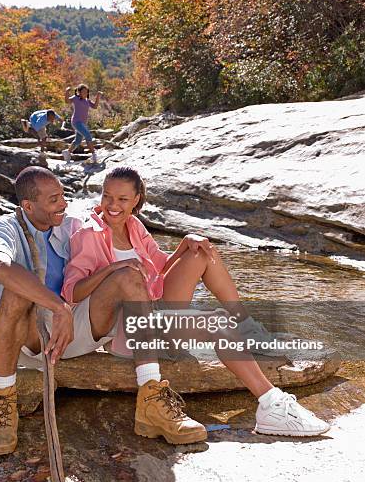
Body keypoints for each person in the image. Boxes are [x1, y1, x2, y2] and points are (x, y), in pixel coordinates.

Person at [61, 166, 330, 445]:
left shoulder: (134, 226)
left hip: (156, 312)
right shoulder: (88, 234)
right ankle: (271, 405)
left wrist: (185, 242)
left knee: (201, 252)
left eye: (122, 199)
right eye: (107, 196)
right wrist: (114, 270)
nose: (112, 206)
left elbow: (160, 267)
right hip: (130, 332)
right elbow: (72, 292)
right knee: (216, 321)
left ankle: (250, 331)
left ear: (137, 200)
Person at [0, 166, 161, 456]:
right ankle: (4, 403)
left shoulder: (71, 224)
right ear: (29, 206)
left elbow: (103, 228)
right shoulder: (6, 227)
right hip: (26, 340)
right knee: (16, 288)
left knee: (127, 275)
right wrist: (57, 307)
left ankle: (152, 398)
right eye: (54, 200)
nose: (63, 204)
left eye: (63, 196)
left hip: (73, 333)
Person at [63, 84, 101, 164]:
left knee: (78, 140)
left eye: (86, 92)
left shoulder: (87, 100)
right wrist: (67, 92)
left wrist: (98, 97)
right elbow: (67, 101)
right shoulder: (76, 98)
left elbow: (95, 106)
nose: (85, 93)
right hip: (76, 122)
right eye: (83, 92)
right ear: (79, 92)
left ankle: (67, 152)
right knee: (88, 135)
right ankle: (94, 154)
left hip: (82, 123)